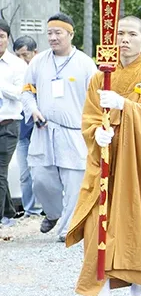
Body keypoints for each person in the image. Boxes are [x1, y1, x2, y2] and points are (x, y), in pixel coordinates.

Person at [67, 16, 141, 296]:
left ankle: (138, 291)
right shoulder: (100, 77)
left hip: (139, 164)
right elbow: (89, 116)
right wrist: (95, 133)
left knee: (134, 222)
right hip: (105, 159)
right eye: (119, 34)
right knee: (95, 220)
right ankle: (95, 289)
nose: (124, 39)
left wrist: (126, 106)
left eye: (131, 34)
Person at [21, 14, 97, 241]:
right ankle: (53, 213)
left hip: (74, 132)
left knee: (74, 181)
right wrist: (32, 109)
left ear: (71, 34)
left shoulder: (85, 63)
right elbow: (27, 90)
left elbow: (94, 97)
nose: (53, 38)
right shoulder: (38, 61)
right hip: (44, 129)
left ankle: (67, 230)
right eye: (50, 33)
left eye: (58, 33)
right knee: (40, 177)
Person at [0, 19, 26, 226]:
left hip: (8, 124)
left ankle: (1, 217)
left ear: (8, 39)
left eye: (1, 36)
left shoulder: (17, 65)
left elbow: (21, 94)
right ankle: (9, 212)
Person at [13, 36, 39, 218]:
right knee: (24, 174)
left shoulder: (41, 72)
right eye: (18, 56)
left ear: (34, 53)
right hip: (22, 132)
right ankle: (30, 211)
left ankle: (49, 209)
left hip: (40, 130)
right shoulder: (15, 73)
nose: (22, 60)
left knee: (42, 173)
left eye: (25, 55)